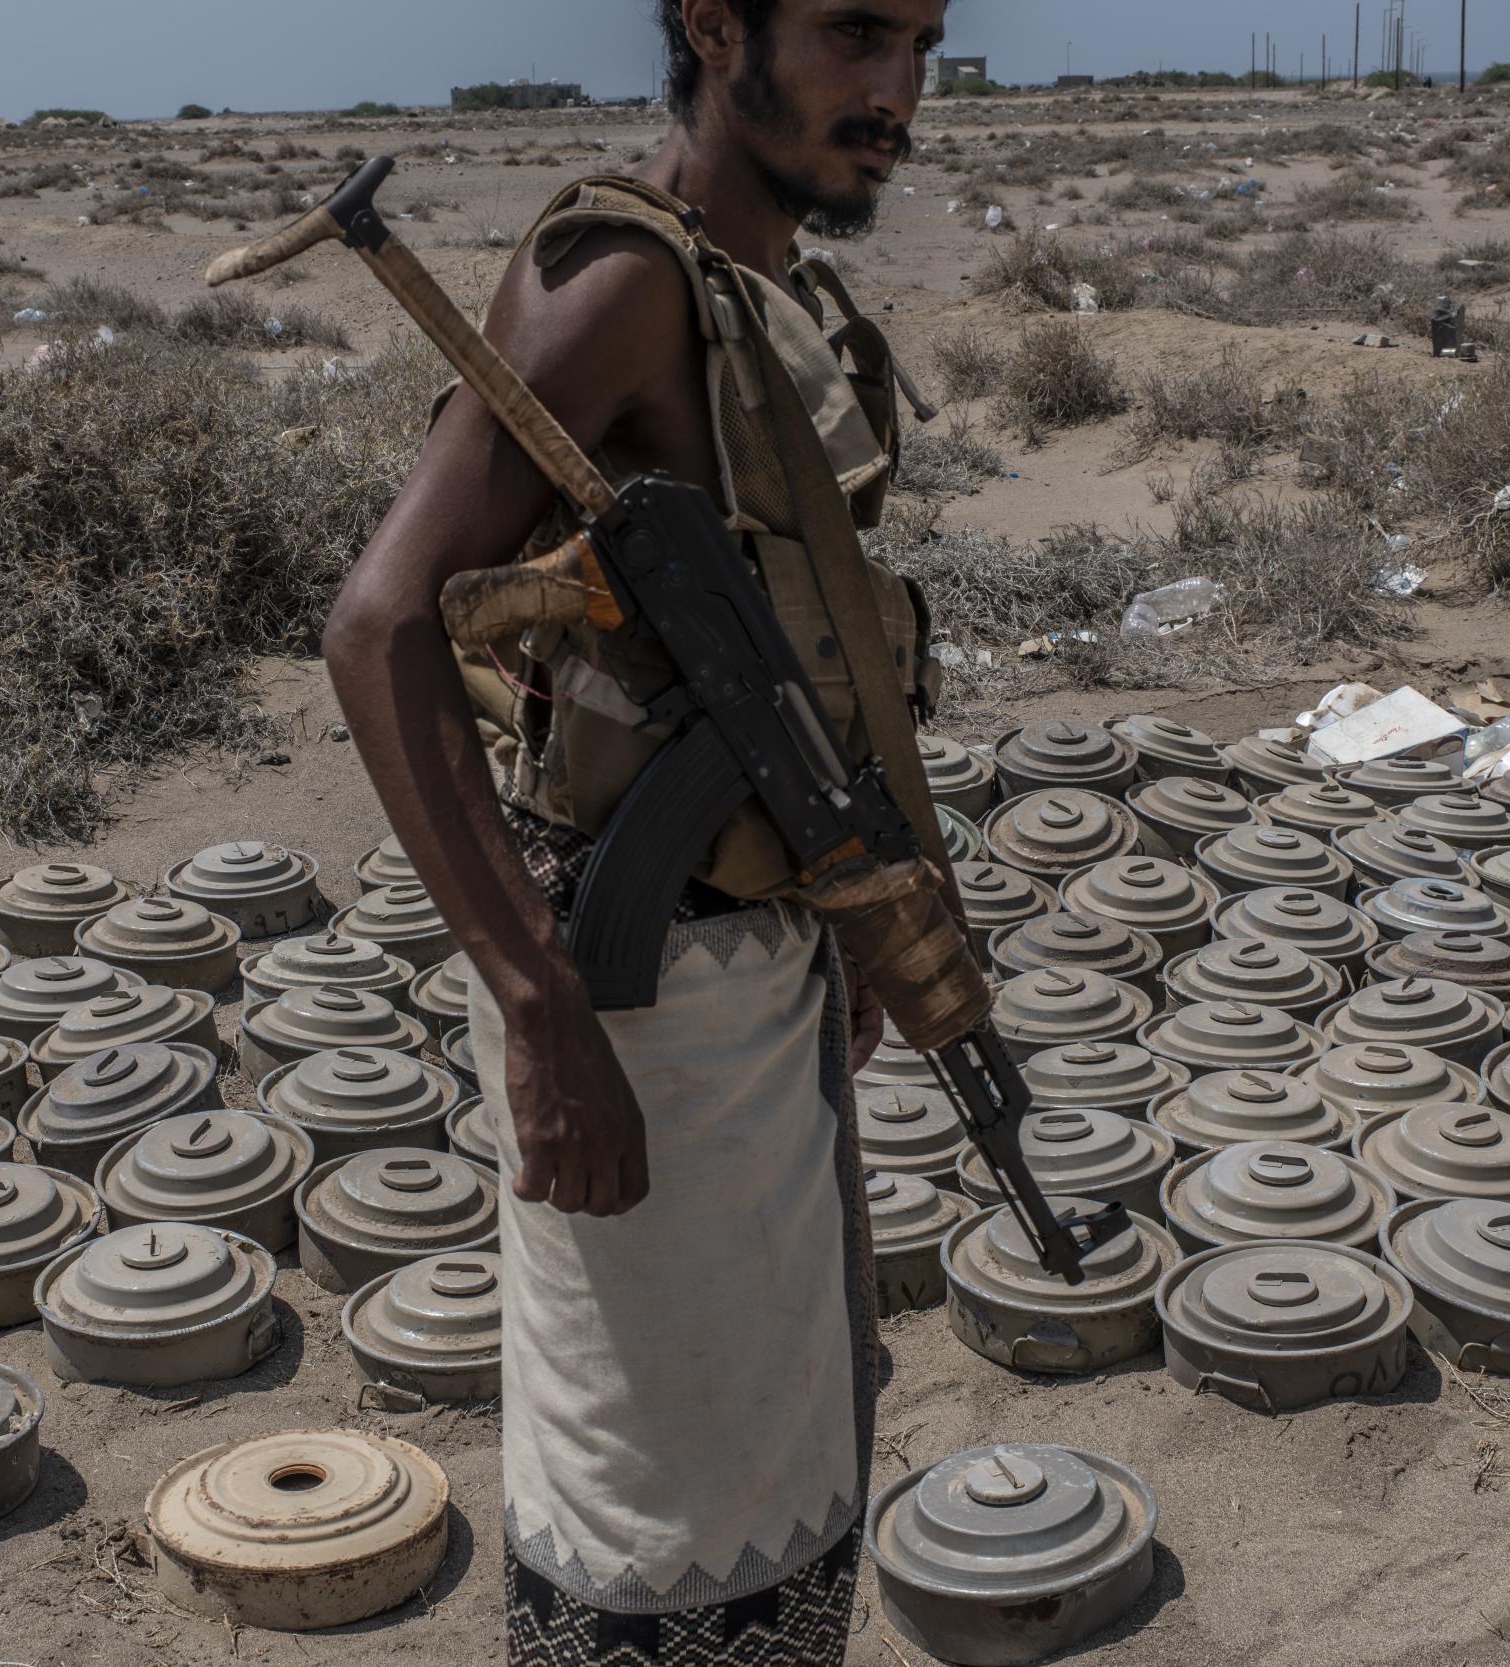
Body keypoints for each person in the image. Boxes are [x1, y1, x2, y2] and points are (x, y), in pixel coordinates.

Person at [325, 1, 949, 1662]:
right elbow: (380, 628)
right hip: (632, 1004)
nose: (892, 90)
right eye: (855, 33)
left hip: (757, 977)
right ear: (714, 23)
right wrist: (538, 1014)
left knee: (780, 1440)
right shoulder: (619, 281)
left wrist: (846, 916)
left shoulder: (765, 291)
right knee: (648, 1496)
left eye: (924, 46)